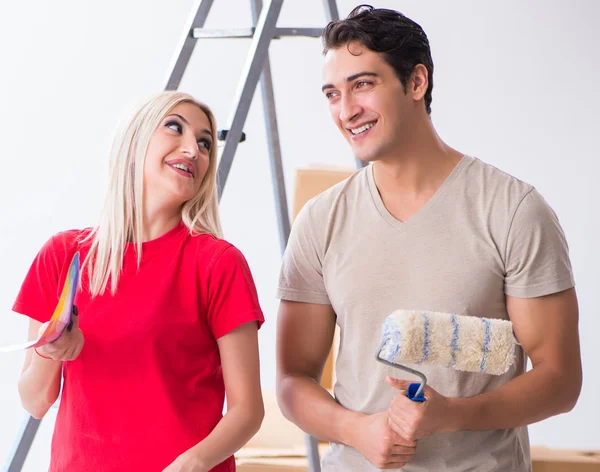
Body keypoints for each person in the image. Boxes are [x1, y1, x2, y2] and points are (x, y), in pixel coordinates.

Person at [276, 5, 581, 471]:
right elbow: (292, 380)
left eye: (363, 85)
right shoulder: (320, 220)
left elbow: (560, 379)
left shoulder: (512, 210)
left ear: (416, 82)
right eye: (332, 94)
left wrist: (454, 415)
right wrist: (356, 429)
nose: (346, 111)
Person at [15, 91, 265, 472]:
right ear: (135, 141)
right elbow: (34, 401)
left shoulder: (218, 264)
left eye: (204, 143)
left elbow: (248, 411)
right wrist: (52, 351)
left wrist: (192, 463)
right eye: (174, 128)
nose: (194, 150)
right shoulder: (64, 255)